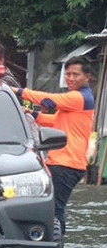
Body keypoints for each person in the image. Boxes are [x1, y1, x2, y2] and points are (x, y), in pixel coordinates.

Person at [10, 56, 95, 235]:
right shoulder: (77, 101)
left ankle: (56, 247)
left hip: (66, 163)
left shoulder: (79, 97)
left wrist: (17, 91)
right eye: (68, 74)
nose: (70, 78)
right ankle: (55, 244)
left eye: (75, 74)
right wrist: (33, 114)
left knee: (55, 209)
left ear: (87, 77)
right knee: (53, 207)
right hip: (63, 161)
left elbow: (49, 100)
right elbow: (56, 120)